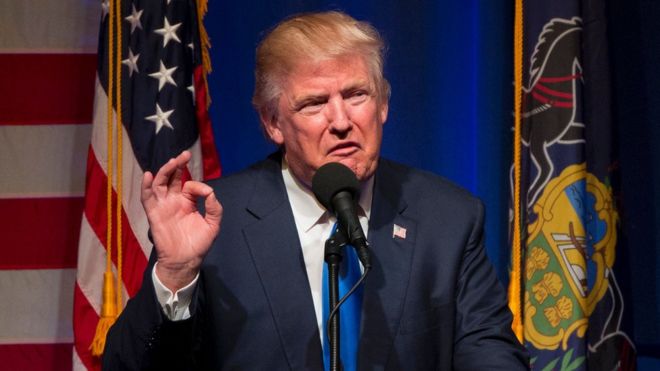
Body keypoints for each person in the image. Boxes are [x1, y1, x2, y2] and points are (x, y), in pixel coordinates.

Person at [103, 11, 529, 370]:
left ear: (383, 105)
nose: (341, 121)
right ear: (272, 123)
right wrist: (176, 275)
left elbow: (492, 356)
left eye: (357, 94)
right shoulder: (215, 224)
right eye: (313, 103)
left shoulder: (448, 218)